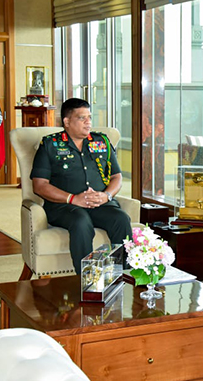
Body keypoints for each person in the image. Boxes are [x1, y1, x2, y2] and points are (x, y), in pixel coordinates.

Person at [30, 98, 131, 274]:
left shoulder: (102, 141)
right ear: (67, 121)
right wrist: (73, 199)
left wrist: (106, 196)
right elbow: (39, 185)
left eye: (89, 117)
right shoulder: (50, 145)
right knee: (81, 222)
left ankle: (123, 274)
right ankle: (87, 279)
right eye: (82, 118)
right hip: (64, 206)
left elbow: (117, 177)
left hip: (100, 203)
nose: (88, 122)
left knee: (121, 219)